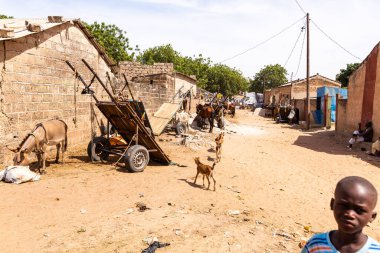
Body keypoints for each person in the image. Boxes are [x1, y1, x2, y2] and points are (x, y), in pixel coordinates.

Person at [301, 176, 379, 252]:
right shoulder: (316, 245)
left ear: (372, 217)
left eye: (359, 210)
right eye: (344, 206)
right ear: (332, 204)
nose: (350, 214)